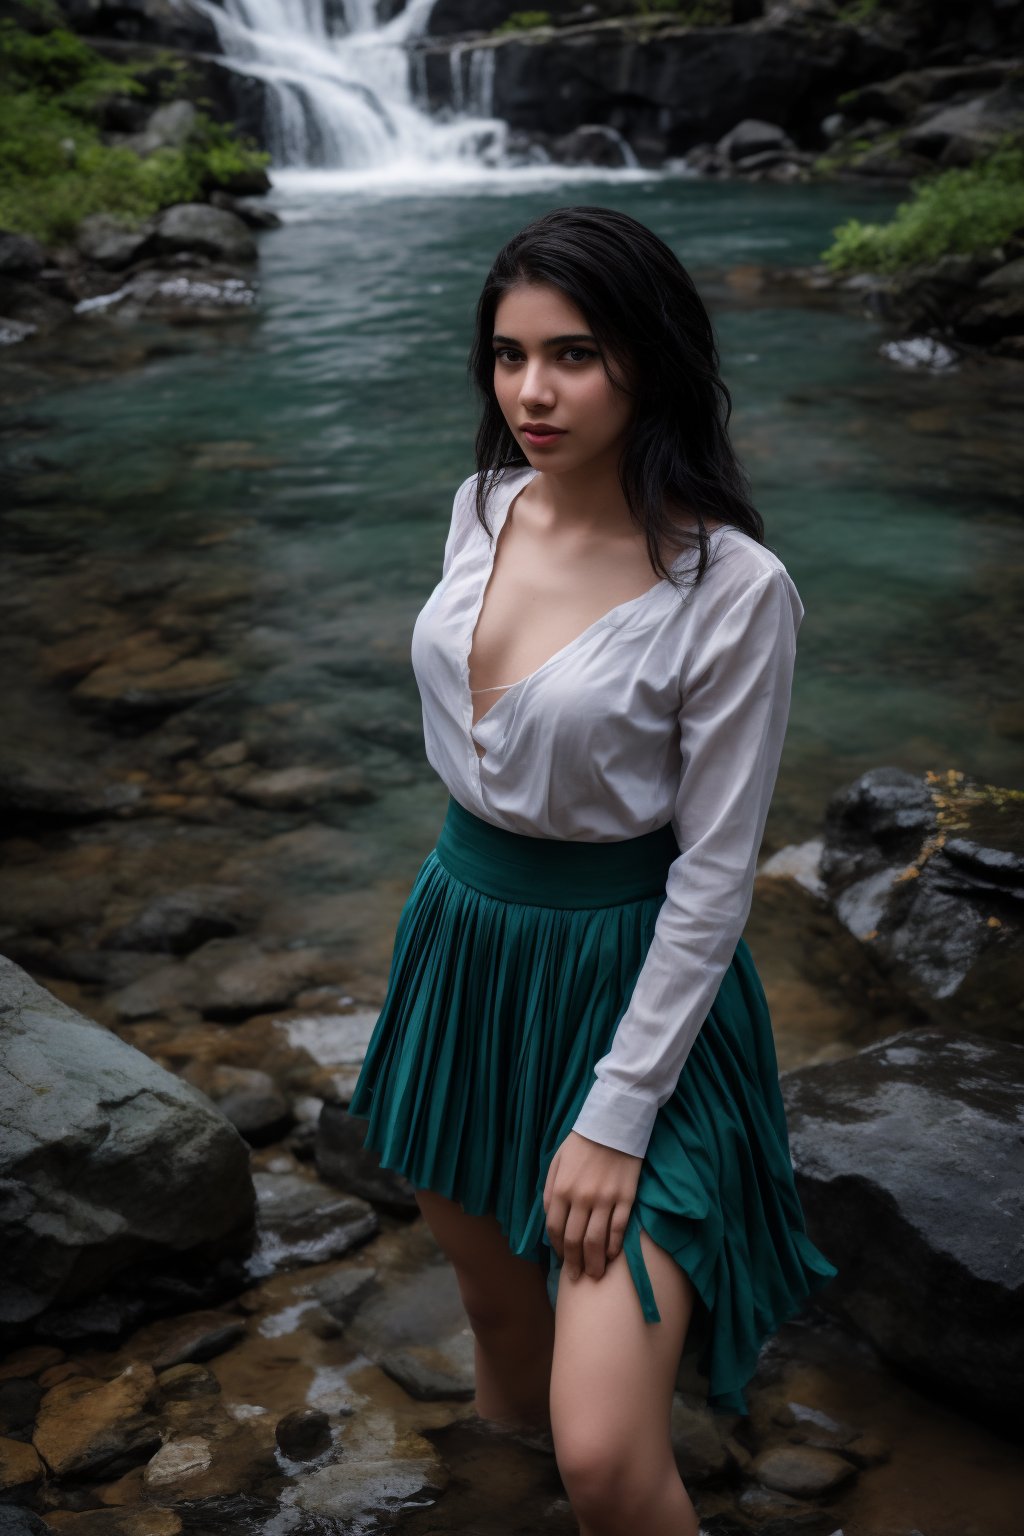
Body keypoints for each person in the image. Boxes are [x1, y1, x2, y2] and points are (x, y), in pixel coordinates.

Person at [348, 204, 837, 1536]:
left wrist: (618, 1117)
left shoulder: (733, 589)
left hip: (635, 996)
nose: (532, 392)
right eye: (508, 357)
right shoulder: (481, 505)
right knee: (501, 1332)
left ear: (649, 361)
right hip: (466, 951)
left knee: (608, 1454)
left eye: (572, 354)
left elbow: (715, 879)